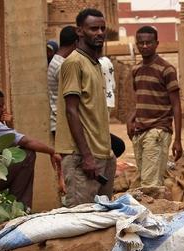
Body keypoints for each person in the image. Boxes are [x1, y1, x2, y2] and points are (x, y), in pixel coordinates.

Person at [57, 8, 114, 207]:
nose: (99, 33)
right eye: (93, 29)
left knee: (102, 214)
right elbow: (71, 110)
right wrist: (87, 156)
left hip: (102, 154)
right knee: (80, 216)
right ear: (80, 31)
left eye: (102, 28)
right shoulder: (74, 63)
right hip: (82, 156)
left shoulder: (96, 64)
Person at [126, 25, 182, 189]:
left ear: (156, 44)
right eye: (140, 43)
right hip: (139, 132)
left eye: (148, 43)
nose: (144, 46)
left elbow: (176, 106)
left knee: (149, 186)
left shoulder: (167, 69)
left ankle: (154, 213)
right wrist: (130, 120)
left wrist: (177, 140)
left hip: (158, 131)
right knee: (147, 181)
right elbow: (141, 99)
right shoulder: (135, 69)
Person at [48, 26, 78, 137]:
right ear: (76, 43)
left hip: (60, 121)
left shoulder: (57, 61)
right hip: (62, 123)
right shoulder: (62, 66)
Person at [99, 54, 126, 158]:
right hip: (109, 99)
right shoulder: (107, 61)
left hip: (100, 100)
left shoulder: (96, 63)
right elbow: (113, 84)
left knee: (100, 134)